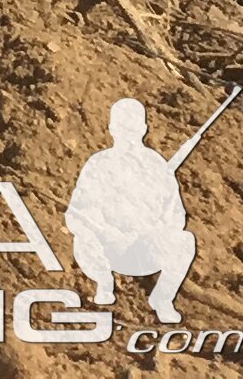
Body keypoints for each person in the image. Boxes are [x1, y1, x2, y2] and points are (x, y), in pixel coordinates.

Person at [66, 98, 197, 324]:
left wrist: (156, 230)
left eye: (133, 128)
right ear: (111, 129)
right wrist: (105, 229)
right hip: (106, 248)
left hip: (144, 248)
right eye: (122, 128)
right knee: (83, 237)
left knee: (185, 241)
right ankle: (104, 284)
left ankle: (162, 299)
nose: (128, 134)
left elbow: (176, 215)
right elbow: (77, 213)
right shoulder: (98, 163)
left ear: (143, 129)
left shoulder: (156, 165)